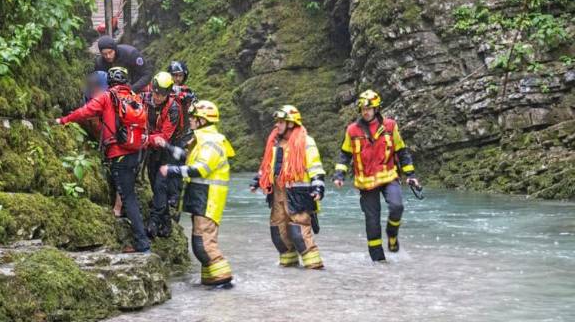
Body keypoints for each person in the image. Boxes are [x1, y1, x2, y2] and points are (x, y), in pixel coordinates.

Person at [57, 67, 150, 253]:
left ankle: (142, 244)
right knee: (130, 194)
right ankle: (140, 239)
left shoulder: (107, 97)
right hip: (136, 151)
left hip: (118, 152)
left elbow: (85, 111)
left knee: (128, 197)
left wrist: (64, 120)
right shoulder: (135, 97)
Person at [332, 90, 419, 262]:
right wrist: (339, 175)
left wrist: (411, 175)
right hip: (366, 183)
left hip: (388, 177)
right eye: (363, 109)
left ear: (377, 108)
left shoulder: (390, 126)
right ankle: (378, 262)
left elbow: (402, 151)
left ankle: (392, 234)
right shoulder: (352, 130)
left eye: (369, 108)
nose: (366, 111)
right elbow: (344, 155)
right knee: (372, 222)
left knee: (397, 206)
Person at [161, 101, 235, 287]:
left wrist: (172, 170)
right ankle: (212, 282)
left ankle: (224, 282)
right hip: (201, 196)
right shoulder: (202, 139)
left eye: (194, 118)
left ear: (203, 120)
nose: (191, 121)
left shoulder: (212, 141)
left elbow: (200, 169)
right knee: (201, 242)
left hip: (209, 198)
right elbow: (187, 157)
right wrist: (166, 147)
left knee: (203, 244)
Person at [250, 105, 326, 269]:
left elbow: (315, 167)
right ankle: (289, 272)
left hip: (299, 195)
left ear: (291, 123)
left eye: (281, 122)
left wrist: (318, 187)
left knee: (299, 233)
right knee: (278, 233)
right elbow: (267, 165)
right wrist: (258, 179)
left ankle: (315, 272)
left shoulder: (306, 141)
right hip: (278, 193)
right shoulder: (275, 143)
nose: (277, 125)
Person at [142, 71, 183, 238]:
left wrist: (145, 138)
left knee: (160, 186)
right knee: (154, 185)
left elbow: (165, 135)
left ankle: (154, 222)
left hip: (167, 149)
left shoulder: (173, 108)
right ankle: (166, 223)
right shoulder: (144, 98)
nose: (158, 96)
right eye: (156, 92)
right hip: (151, 148)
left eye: (163, 94)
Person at [166, 60, 196, 207]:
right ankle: (170, 195)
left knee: (178, 165)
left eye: (180, 76)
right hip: (167, 134)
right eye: (174, 76)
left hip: (183, 136)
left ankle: (176, 197)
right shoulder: (164, 90)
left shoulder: (188, 92)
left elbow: (194, 109)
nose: (177, 79)